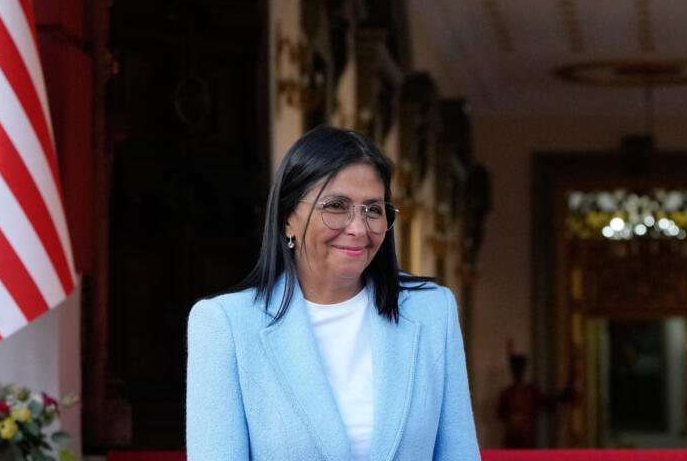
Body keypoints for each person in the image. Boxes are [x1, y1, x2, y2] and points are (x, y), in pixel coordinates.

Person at [186, 125, 481, 460]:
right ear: (288, 217)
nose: (358, 228)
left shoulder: (433, 311)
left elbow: (459, 453)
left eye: (373, 209)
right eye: (336, 206)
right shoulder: (225, 325)